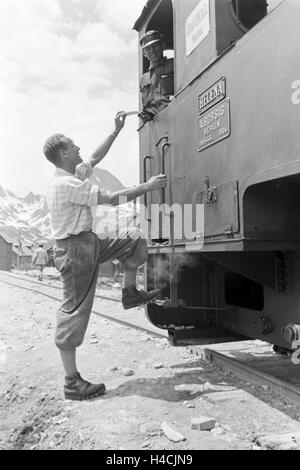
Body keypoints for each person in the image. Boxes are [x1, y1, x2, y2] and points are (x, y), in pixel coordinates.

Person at [44, 112, 167, 400]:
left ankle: (129, 292)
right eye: (72, 146)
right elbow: (112, 200)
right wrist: (147, 187)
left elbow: (94, 159)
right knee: (74, 310)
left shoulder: (71, 174)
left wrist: (115, 131)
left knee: (135, 238)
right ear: (62, 152)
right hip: (75, 251)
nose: (78, 149)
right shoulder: (67, 185)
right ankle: (72, 382)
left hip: (88, 242)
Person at [139, 30, 174, 124]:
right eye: (148, 48)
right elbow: (146, 106)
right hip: (156, 126)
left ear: (163, 45)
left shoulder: (173, 64)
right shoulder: (144, 79)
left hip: (173, 117)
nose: (152, 50)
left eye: (155, 45)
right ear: (144, 53)